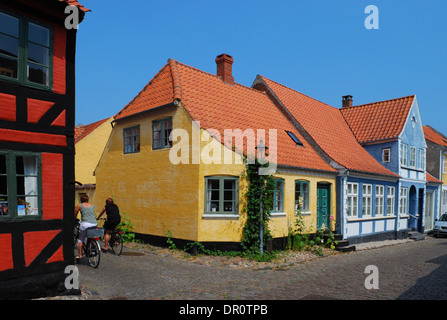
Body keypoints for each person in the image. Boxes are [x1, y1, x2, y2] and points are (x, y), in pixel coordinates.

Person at [74, 194, 97, 259]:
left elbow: (75, 214)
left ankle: (80, 255)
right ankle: (92, 246)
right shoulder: (92, 205)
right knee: (90, 236)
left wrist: (73, 219)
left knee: (81, 239)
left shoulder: (79, 205)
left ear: (81, 199)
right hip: (94, 223)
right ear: (87, 199)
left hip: (85, 224)